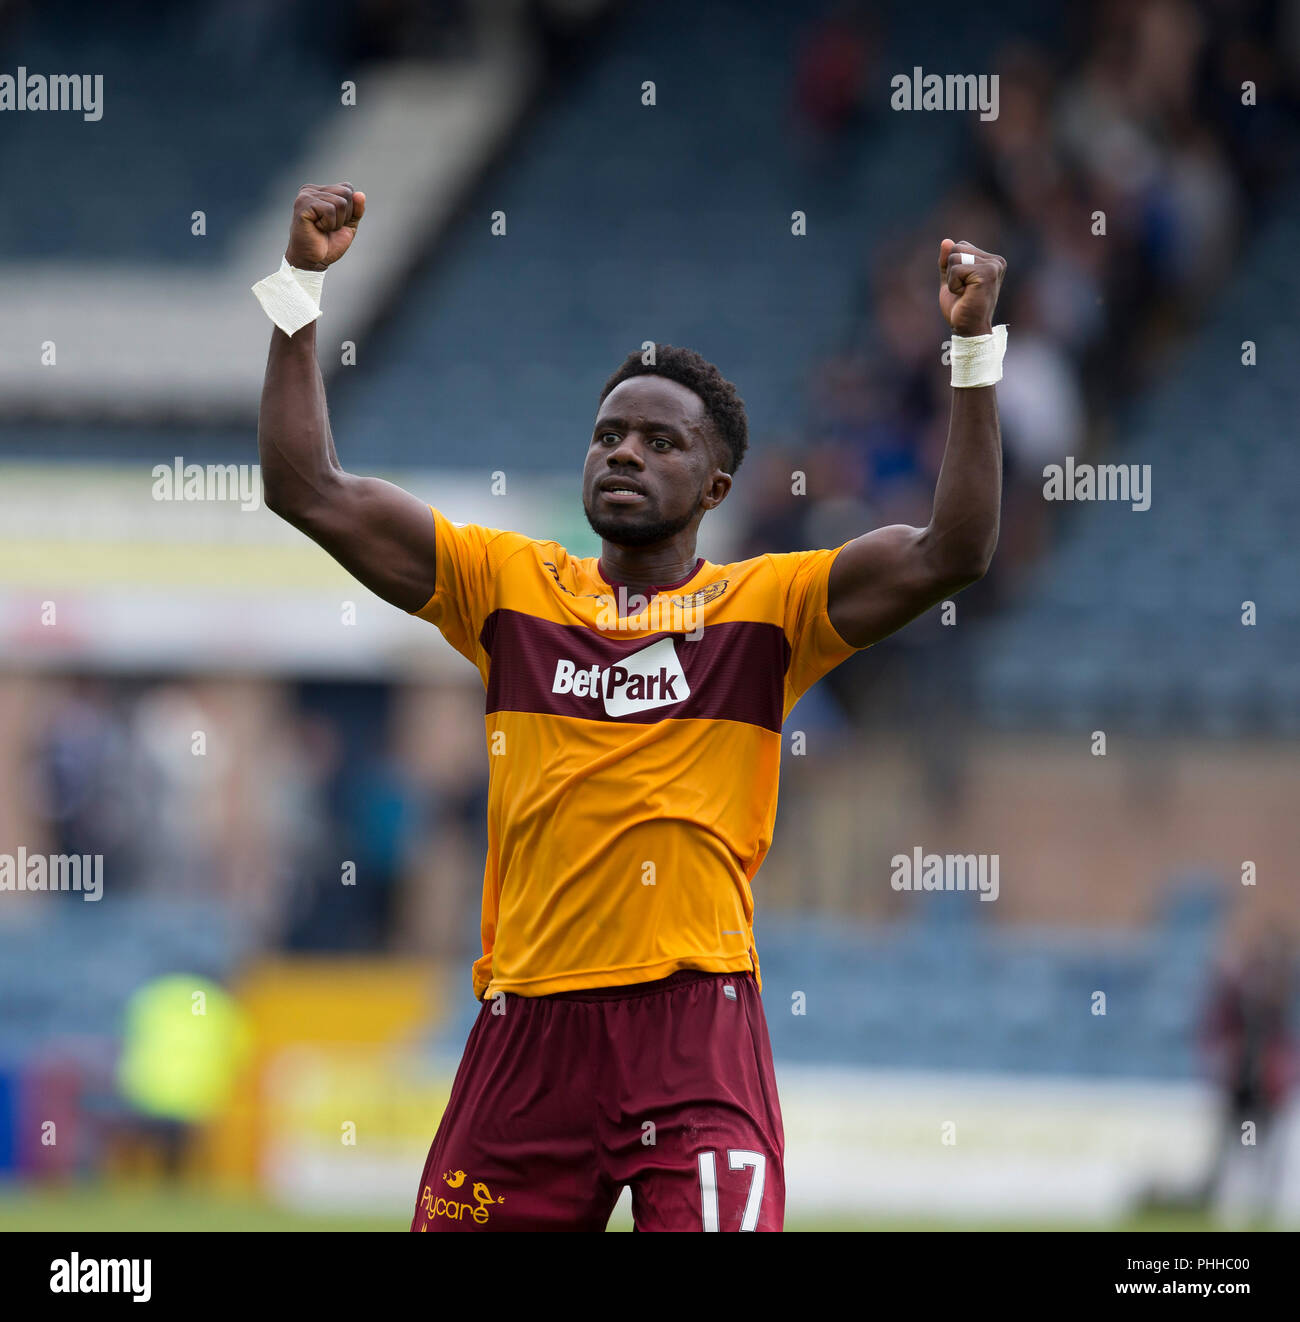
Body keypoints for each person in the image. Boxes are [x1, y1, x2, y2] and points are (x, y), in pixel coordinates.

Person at [254, 183, 1006, 1231]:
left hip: (692, 1033)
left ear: (715, 486)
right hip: (527, 1038)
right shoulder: (506, 586)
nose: (624, 452)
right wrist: (298, 288)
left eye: (661, 443)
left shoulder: (769, 606)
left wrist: (972, 353)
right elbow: (308, 488)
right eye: (610, 435)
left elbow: (952, 549)